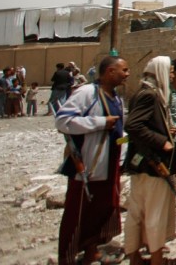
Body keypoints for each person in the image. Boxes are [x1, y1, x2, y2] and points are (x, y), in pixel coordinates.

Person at [56, 55, 129, 265]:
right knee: (78, 215)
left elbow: (119, 131)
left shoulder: (116, 98)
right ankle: (68, 257)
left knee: (101, 210)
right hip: (88, 166)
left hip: (110, 166)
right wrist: (98, 122)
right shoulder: (87, 93)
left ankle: (92, 252)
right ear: (110, 72)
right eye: (123, 70)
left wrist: (123, 153)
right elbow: (63, 121)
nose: (127, 74)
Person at [123, 56, 176, 265]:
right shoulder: (150, 95)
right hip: (153, 163)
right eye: (171, 70)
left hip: (141, 163)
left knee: (137, 212)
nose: (172, 74)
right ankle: (156, 258)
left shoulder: (142, 92)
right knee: (155, 212)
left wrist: (166, 129)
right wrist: (162, 141)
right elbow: (134, 125)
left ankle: (134, 256)